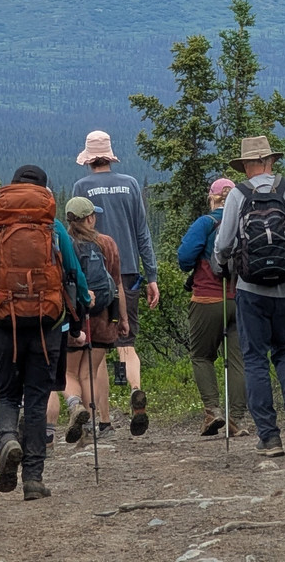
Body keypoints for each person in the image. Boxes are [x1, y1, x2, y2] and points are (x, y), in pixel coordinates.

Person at [0, 165, 90, 501]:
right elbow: (75, 273)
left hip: (4, 322)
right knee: (36, 399)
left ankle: (8, 439)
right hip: (47, 324)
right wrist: (85, 305)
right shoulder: (53, 225)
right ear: (43, 192)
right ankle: (33, 479)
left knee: (6, 393)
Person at [214, 136, 285, 458]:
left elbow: (223, 245)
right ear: (271, 161)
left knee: (254, 359)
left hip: (251, 290)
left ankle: (269, 437)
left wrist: (223, 266)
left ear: (248, 164)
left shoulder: (238, 194)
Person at [72, 130, 159, 436]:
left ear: (88, 159)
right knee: (126, 343)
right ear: (109, 156)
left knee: (96, 352)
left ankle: (105, 420)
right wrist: (152, 277)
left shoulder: (81, 187)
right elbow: (142, 234)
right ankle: (135, 389)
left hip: (94, 280)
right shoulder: (132, 184)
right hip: (128, 275)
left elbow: (76, 237)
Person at [177, 177, 248, 437]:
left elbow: (185, 259)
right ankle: (237, 419)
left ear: (212, 197)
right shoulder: (244, 221)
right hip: (241, 298)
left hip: (207, 298)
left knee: (201, 356)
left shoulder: (206, 222)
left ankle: (212, 412)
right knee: (239, 360)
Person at [63, 196, 129, 446]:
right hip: (103, 318)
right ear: (89, 218)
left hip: (76, 317)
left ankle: (75, 405)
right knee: (89, 373)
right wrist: (122, 318)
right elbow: (117, 284)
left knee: (69, 372)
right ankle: (90, 430)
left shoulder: (65, 243)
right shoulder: (107, 243)